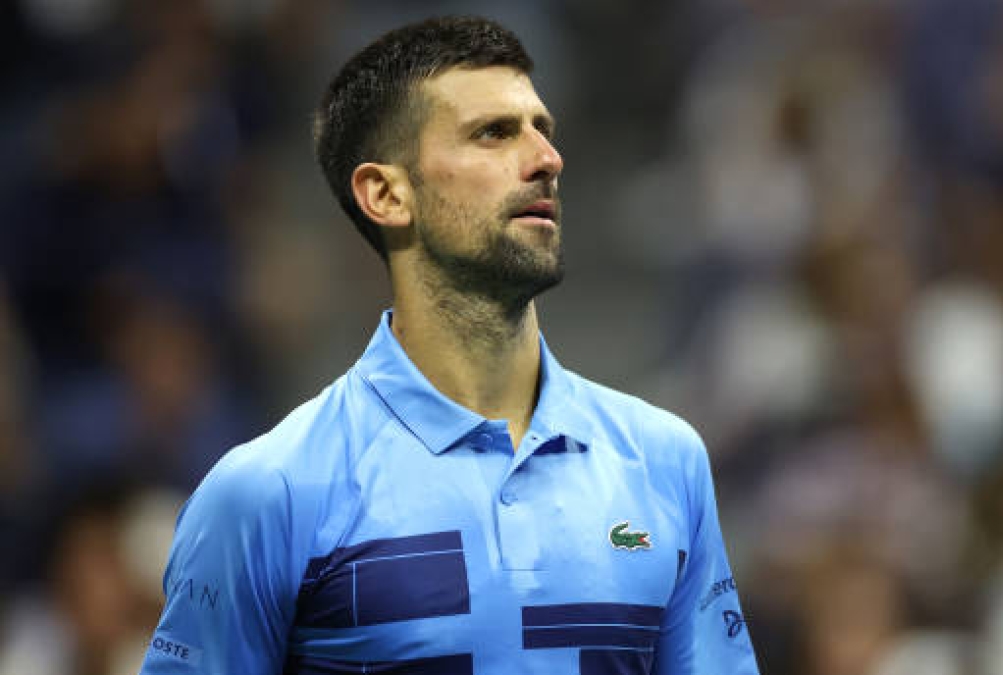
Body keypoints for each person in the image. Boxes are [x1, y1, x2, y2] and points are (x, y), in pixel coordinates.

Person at [139, 15, 759, 675]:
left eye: (541, 130)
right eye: (493, 133)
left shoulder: (665, 461)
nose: (547, 158)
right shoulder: (267, 493)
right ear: (386, 193)